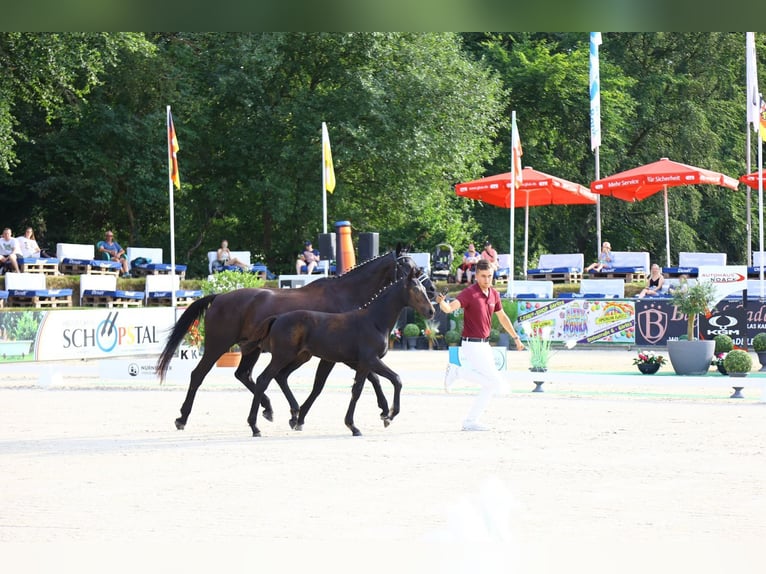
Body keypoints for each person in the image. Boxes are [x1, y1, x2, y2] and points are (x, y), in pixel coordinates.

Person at [437, 259, 526, 431]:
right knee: (497, 384)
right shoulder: (469, 293)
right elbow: (448, 309)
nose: (487, 279)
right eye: (483, 276)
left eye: (490, 276)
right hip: (471, 345)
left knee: (491, 385)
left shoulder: (494, 294)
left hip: (485, 345)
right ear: (476, 276)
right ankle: (458, 372)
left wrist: (516, 338)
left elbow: (502, 317)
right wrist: (442, 302)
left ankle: (470, 420)